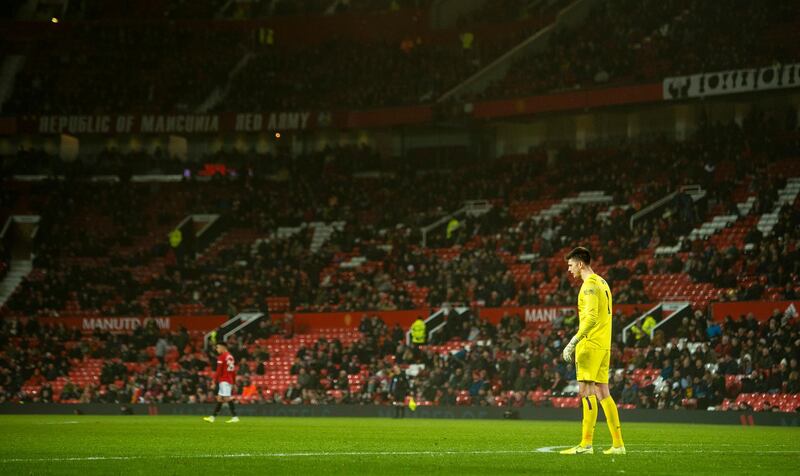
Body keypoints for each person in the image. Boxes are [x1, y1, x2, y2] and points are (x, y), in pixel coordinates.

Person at [560, 247, 625, 455]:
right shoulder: (602, 282)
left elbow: (591, 318)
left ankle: (586, 444)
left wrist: (573, 341)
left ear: (580, 264)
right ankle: (618, 445)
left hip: (590, 345)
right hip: (604, 345)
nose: (569, 270)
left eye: (570, 265)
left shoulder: (588, 286)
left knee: (586, 392)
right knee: (603, 393)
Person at [203, 342, 240, 423]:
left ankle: (235, 417)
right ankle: (212, 417)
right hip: (229, 379)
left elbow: (218, 371)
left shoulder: (222, 357)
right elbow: (233, 371)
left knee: (226, 398)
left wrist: (214, 382)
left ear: (223, 347)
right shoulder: (230, 356)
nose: (217, 349)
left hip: (224, 380)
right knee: (220, 398)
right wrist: (233, 382)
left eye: (218, 347)